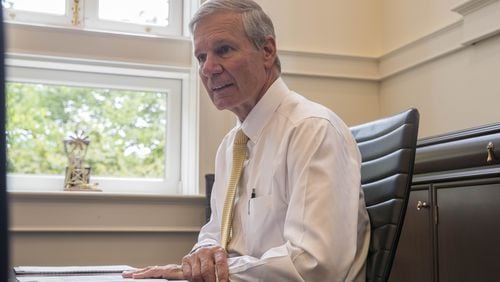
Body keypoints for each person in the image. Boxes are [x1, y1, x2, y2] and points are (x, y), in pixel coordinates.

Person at [123, 0, 370, 281]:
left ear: (267, 51)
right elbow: (216, 234)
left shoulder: (312, 130)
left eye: (223, 50)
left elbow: (314, 264)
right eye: (201, 57)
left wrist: (220, 273)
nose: (208, 69)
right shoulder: (231, 146)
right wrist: (204, 255)